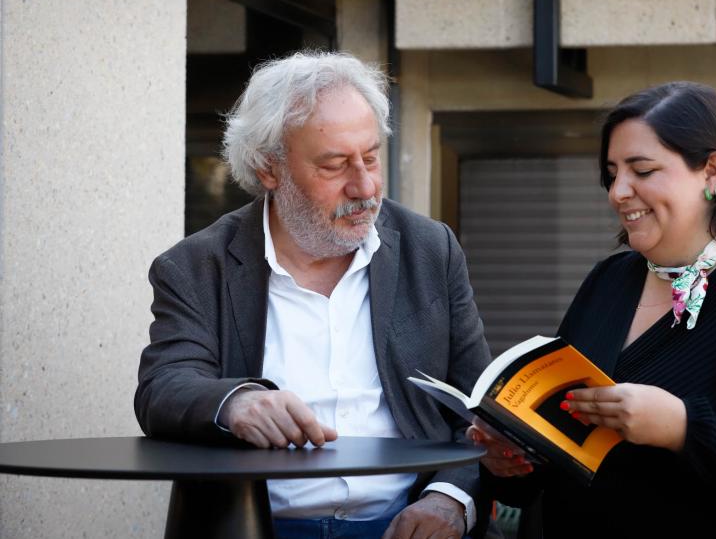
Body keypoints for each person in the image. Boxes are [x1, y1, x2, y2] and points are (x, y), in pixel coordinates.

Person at [469, 82, 716, 537]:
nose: (618, 191)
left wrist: (680, 426)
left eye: (642, 170)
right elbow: (570, 448)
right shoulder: (609, 281)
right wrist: (512, 460)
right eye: (612, 173)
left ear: (712, 171)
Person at [134, 51, 492, 539]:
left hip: (406, 524)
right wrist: (236, 403)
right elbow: (163, 389)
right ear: (268, 169)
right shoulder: (197, 265)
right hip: (258, 527)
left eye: (370, 156)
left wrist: (449, 499)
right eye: (334, 165)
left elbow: (481, 410)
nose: (364, 185)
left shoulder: (431, 250)